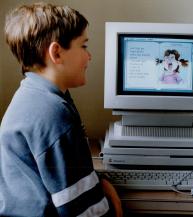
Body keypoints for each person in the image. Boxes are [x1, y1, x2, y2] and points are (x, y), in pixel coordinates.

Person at [0, 2, 122, 217]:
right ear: (56, 52)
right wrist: (116, 208)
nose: (89, 56)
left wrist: (99, 183)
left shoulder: (34, 95)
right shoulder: (52, 113)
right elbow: (84, 211)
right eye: (84, 46)